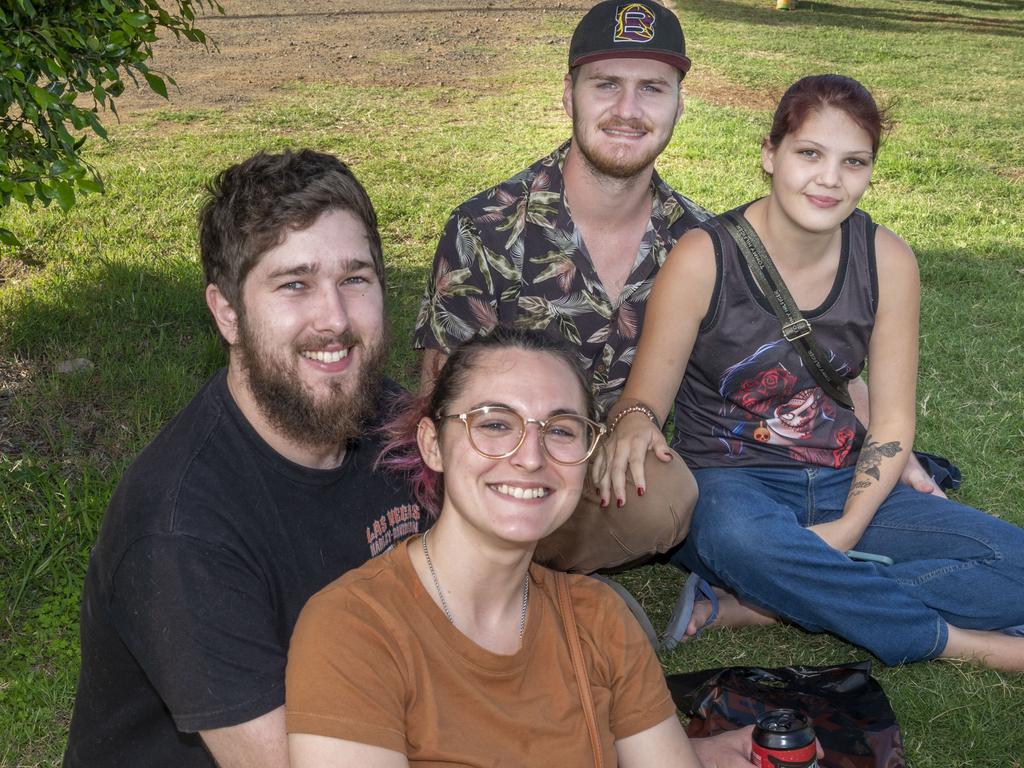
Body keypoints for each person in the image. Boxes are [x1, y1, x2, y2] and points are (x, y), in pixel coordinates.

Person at [413, 0, 945, 575]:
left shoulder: (702, 242)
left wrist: (891, 444)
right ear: (569, 96)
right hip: (506, 454)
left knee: (666, 500)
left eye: (652, 89)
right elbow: (441, 397)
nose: (627, 110)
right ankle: (499, 557)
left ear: (678, 105)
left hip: (616, 470)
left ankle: (534, 563)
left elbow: (808, 360)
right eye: (606, 85)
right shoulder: (487, 227)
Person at [597, 74, 1024, 669]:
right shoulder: (703, 256)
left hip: (841, 480)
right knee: (741, 541)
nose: (830, 179)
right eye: (809, 154)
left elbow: (894, 416)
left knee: (1018, 566)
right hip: (730, 489)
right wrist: (636, 422)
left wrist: (850, 525)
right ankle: (958, 643)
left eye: (854, 161)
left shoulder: (888, 259)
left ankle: (766, 602)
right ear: (771, 155)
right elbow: (645, 398)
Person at [63, 149, 426, 768]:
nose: (334, 319)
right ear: (228, 313)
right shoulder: (181, 531)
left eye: (355, 278)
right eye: (295, 284)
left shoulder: (389, 422)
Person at [285, 326, 757, 767]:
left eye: (560, 430)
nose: (530, 457)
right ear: (433, 444)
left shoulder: (600, 620)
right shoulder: (356, 630)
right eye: (494, 424)